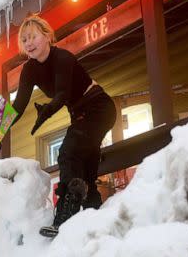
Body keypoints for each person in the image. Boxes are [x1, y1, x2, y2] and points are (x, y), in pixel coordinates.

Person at [11, 15, 116, 237]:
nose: (28, 43)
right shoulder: (29, 70)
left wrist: (48, 110)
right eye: (24, 40)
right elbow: (18, 105)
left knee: (68, 151)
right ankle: (94, 222)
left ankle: (64, 216)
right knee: (85, 170)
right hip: (79, 115)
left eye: (33, 37)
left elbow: (62, 93)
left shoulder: (63, 58)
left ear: (47, 35)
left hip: (99, 108)